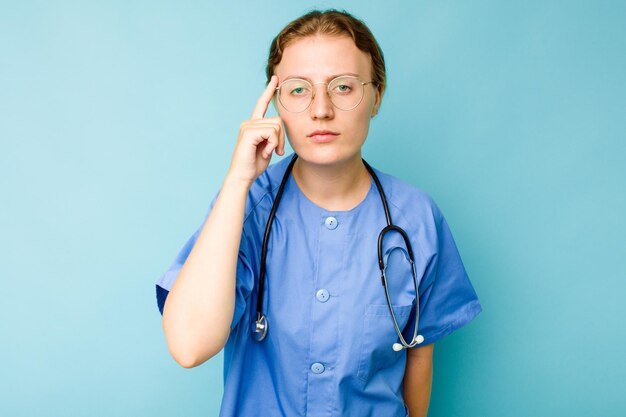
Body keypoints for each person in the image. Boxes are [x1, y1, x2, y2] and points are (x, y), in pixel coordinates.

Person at [155, 9, 481, 417]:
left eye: (343, 87)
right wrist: (238, 183)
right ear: (275, 103)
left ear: (376, 96)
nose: (321, 109)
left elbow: (419, 356)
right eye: (297, 90)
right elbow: (188, 345)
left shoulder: (416, 218)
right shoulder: (244, 208)